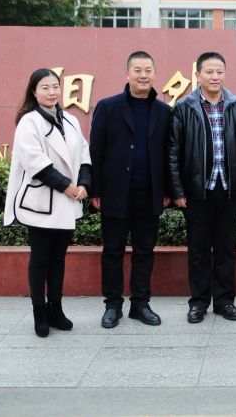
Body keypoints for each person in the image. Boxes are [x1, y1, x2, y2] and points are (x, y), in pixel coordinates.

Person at [168, 52, 236, 323]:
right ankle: (198, 303)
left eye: (219, 71)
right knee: (198, 251)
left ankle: (225, 301)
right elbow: (173, 153)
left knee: (226, 250)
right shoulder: (184, 107)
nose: (215, 76)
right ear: (197, 75)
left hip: (230, 190)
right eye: (209, 72)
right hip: (197, 192)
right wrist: (178, 191)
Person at [4, 68, 91, 337]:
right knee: (40, 259)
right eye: (45, 87)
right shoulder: (29, 122)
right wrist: (67, 186)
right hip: (41, 203)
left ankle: (56, 309)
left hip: (67, 202)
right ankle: (39, 312)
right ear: (34, 91)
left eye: (55, 86)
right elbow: (35, 163)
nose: (52, 92)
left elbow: (84, 154)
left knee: (58, 260)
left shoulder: (71, 120)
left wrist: (84, 184)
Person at [89, 51, 172, 328]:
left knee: (144, 251)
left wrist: (168, 189)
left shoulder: (164, 111)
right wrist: (95, 189)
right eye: (137, 70)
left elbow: (169, 153)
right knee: (113, 250)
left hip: (149, 193)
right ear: (127, 74)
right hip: (115, 193)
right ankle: (112, 305)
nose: (143, 75)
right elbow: (95, 150)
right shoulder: (108, 107)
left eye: (148, 70)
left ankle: (140, 304)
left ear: (155, 74)